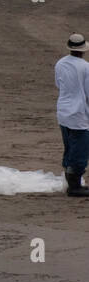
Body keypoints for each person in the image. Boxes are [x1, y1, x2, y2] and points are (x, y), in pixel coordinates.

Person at [54, 33, 89, 197]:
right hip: (78, 113)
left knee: (69, 148)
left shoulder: (60, 63)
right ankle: (74, 186)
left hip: (63, 110)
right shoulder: (85, 67)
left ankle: (72, 182)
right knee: (79, 150)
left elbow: (58, 84)